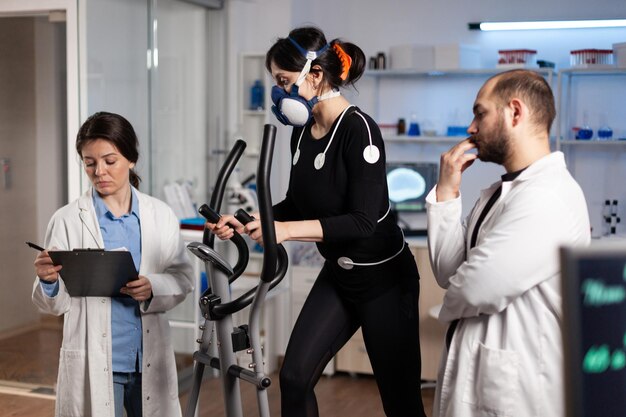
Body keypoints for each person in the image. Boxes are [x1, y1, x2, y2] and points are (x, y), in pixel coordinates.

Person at [209, 26, 427, 417]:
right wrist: (252, 220)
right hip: (340, 277)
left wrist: (284, 231)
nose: (279, 93)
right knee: (293, 378)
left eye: (283, 81)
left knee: (401, 402)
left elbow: (362, 222)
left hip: (384, 282)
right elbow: (297, 203)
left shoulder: (359, 130)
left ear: (315, 75)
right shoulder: (302, 133)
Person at [426, 69, 590, 417]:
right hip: (478, 379)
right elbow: (448, 272)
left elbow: (474, 289)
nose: (471, 128)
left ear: (515, 112)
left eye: (480, 113)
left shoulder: (548, 196)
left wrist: (453, 299)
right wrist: (446, 191)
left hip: (518, 393)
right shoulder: (499, 194)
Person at [31, 112, 194, 417]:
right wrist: (49, 281)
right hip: (96, 356)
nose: (99, 171)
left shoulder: (160, 215)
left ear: (131, 159)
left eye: (109, 161)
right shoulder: (67, 219)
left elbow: (183, 278)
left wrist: (152, 286)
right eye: (89, 162)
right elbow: (54, 305)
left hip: (148, 355)